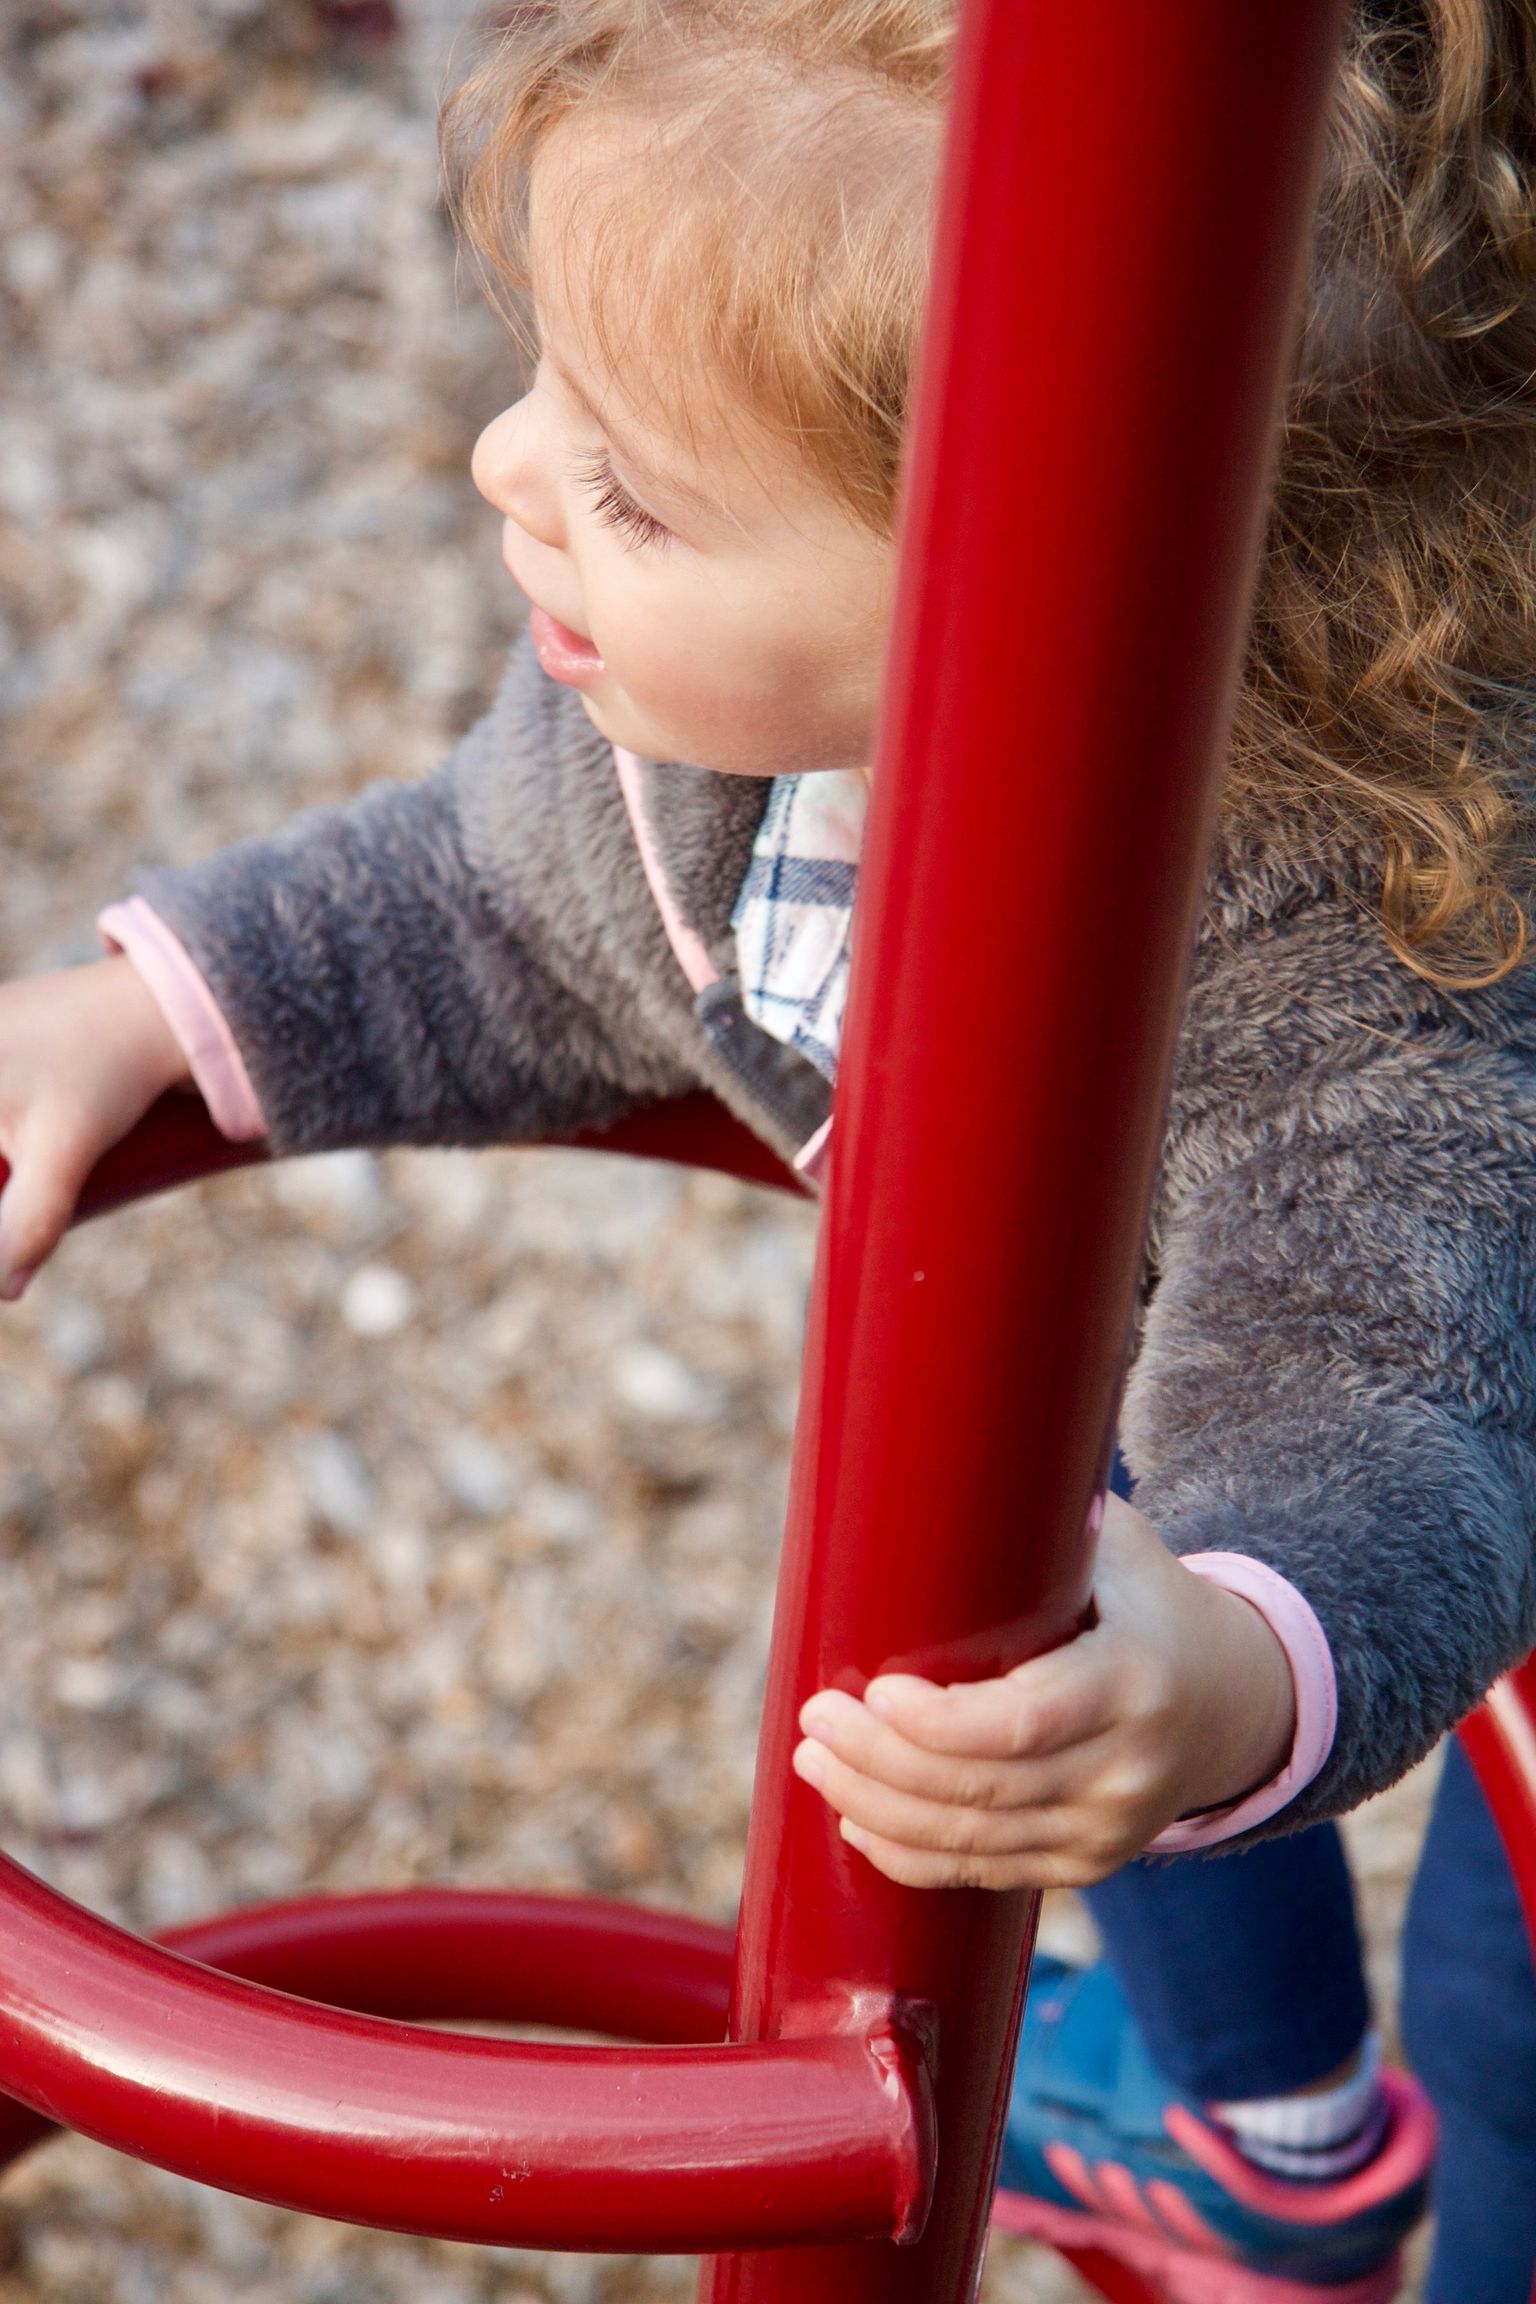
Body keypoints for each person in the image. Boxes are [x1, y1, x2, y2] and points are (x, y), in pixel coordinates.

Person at [0, 0, 1531, 2294]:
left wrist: (1229, 1670)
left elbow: (1373, 1395)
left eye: (634, 482)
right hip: (1118, 1436)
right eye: (547, 378)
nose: (509, 469)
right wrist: (148, 1007)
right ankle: (1270, 2149)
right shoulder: (692, 749)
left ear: (1048, 604)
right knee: (1034, 1630)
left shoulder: (1369, 956)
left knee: (1477, 2000)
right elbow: (485, 913)